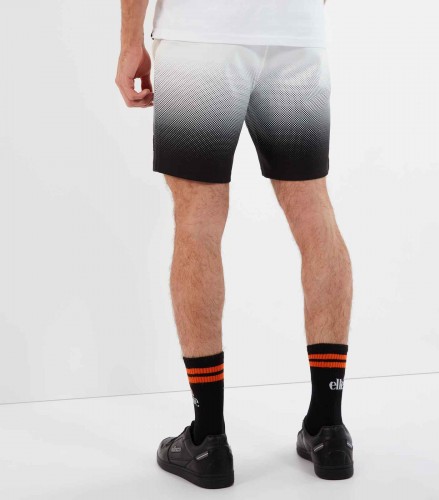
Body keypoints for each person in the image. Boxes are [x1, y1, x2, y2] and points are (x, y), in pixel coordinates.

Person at [116, 0, 354, 489]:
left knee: (198, 216)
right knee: (314, 211)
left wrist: (129, 42)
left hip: (201, 33)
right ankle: (328, 429)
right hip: (297, 33)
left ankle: (207, 438)